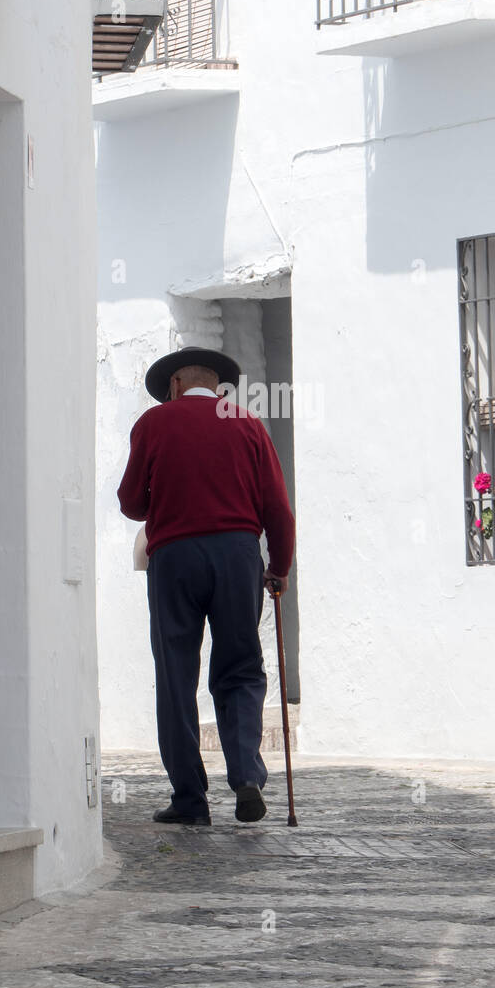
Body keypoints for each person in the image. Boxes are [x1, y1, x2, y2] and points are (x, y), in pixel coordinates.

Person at [117, 347, 295, 826]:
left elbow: (132, 503)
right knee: (239, 666)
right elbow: (277, 508)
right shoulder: (247, 424)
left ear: (174, 386)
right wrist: (278, 566)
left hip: (174, 557)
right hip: (237, 556)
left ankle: (190, 799)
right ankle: (246, 777)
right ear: (218, 389)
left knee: (176, 674)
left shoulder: (153, 424)